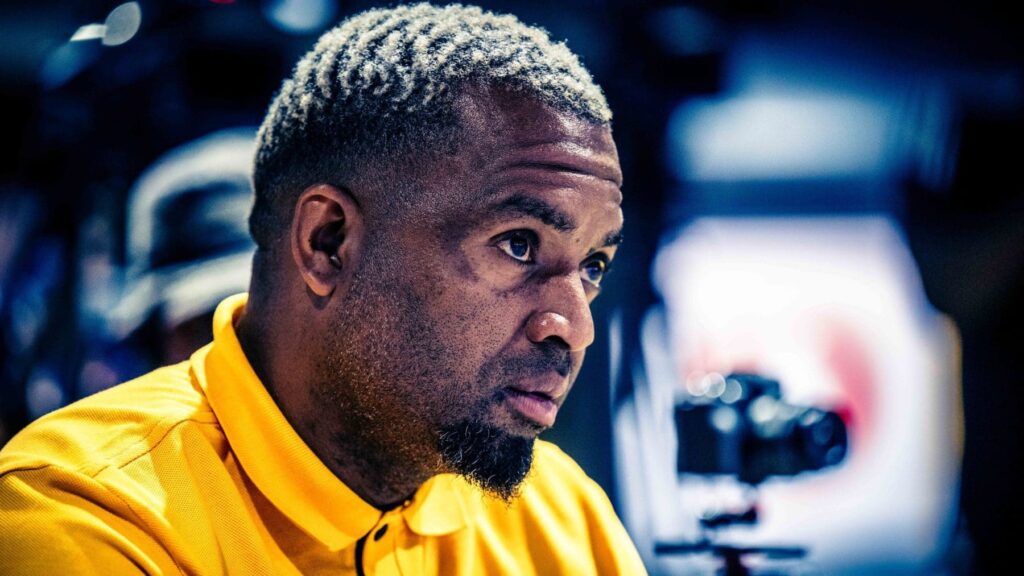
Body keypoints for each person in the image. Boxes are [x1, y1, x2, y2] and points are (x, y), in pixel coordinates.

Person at [0, 3, 645, 574]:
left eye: (593, 266)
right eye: (518, 245)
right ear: (327, 242)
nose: (575, 328)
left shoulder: (565, 519)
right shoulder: (89, 513)